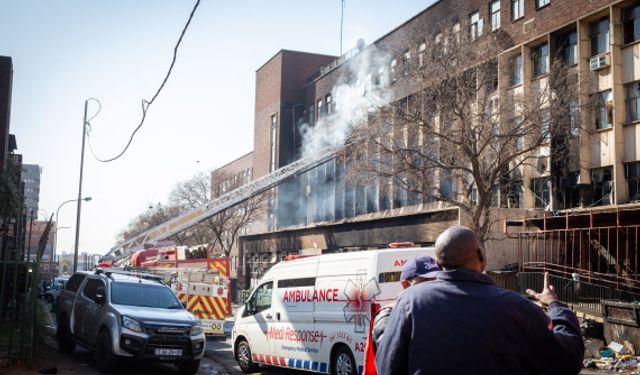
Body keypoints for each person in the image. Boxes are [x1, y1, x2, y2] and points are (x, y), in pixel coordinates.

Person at [376, 226, 583, 375]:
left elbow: (387, 366)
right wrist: (556, 305)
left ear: (439, 264)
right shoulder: (516, 308)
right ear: (481, 257)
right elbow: (567, 361)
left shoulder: (409, 302)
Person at [363, 255, 440, 375]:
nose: (433, 285)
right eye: (425, 282)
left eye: (436, 279)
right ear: (405, 284)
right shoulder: (388, 315)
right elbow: (389, 363)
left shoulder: (441, 308)